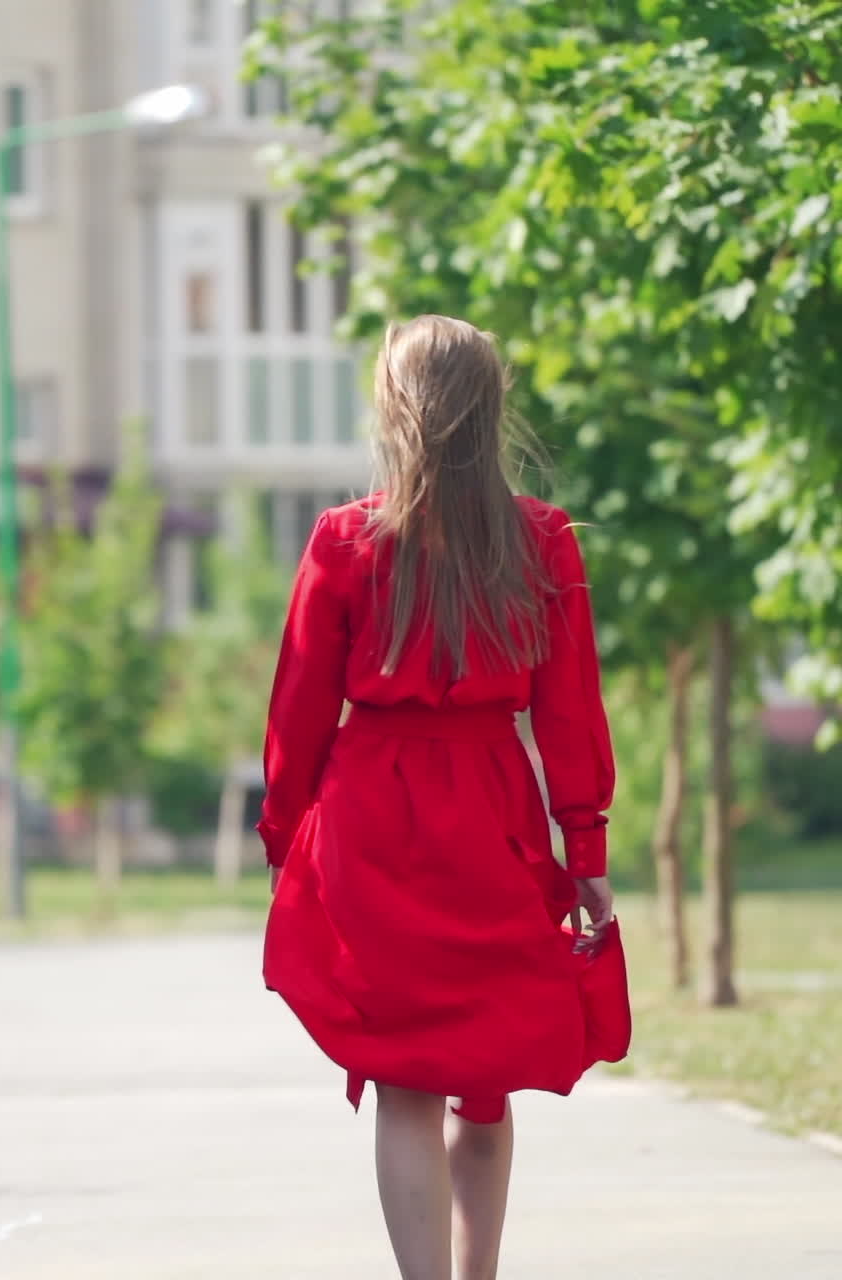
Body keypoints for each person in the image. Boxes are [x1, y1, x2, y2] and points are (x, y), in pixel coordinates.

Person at [258, 315, 630, 1280]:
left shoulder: (346, 540)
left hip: (371, 817)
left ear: (396, 410)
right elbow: (571, 712)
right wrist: (583, 852)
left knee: (406, 1085)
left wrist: (283, 841)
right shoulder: (542, 540)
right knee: (485, 1080)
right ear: (491, 408)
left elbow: (297, 708)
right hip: (492, 816)